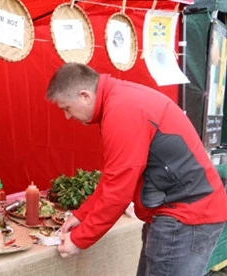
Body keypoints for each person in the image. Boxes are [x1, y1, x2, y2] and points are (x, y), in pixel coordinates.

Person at [46, 62, 227, 276]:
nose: (68, 116)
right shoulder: (121, 100)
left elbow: (118, 192)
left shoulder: (122, 111)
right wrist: (82, 215)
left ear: (85, 95)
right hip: (180, 210)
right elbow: (113, 177)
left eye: (67, 108)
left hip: (186, 216)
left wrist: (79, 239)